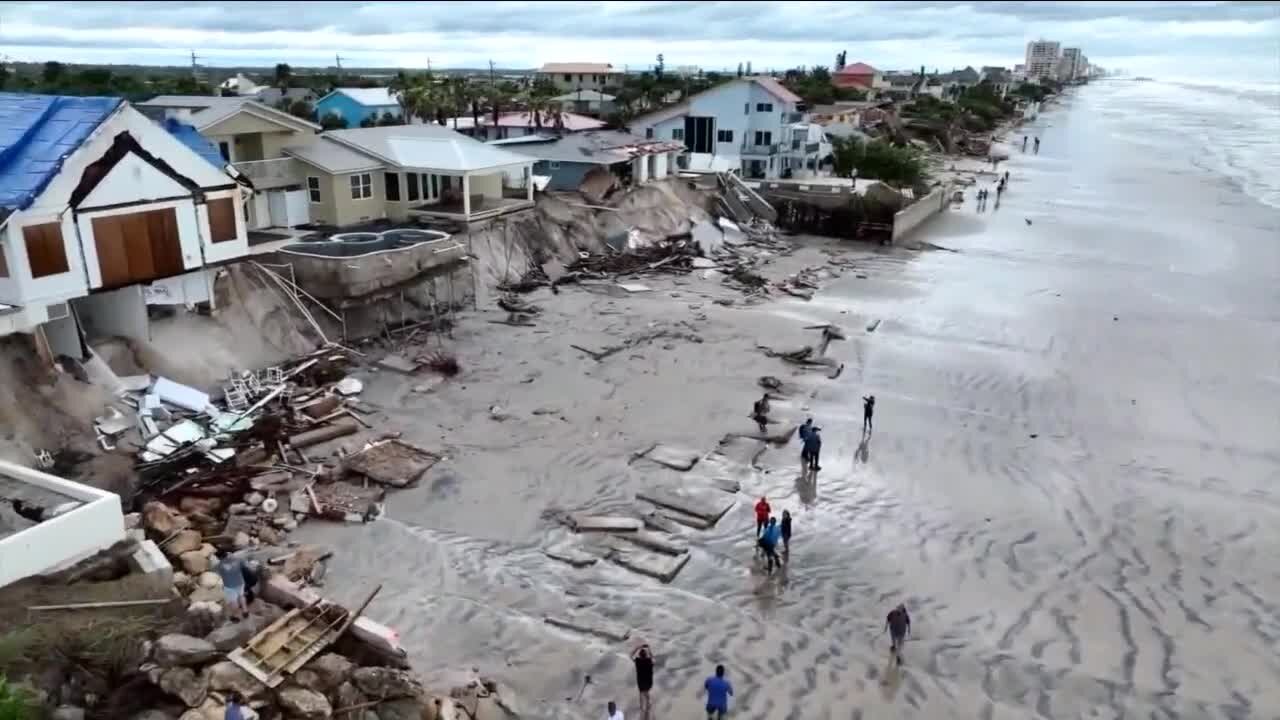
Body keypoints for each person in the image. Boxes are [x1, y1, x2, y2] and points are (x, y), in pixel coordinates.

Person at [215, 551, 249, 621]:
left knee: (233, 601)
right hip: (240, 582)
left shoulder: (220, 565)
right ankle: (245, 611)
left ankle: (235, 616)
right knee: (241, 596)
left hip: (229, 586)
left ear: (219, 557)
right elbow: (244, 566)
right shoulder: (237, 559)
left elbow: (218, 574)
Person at [631, 643, 654, 720]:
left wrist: (638, 647)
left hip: (641, 682)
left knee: (641, 693)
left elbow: (631, 655)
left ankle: (642, 708)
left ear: (640, 655)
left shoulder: (638, 661)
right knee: (647, 692)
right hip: (649, 682)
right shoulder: (649, 661)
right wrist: (649, 649)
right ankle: (648, 704)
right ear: (646, 655)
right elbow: (653, 658)